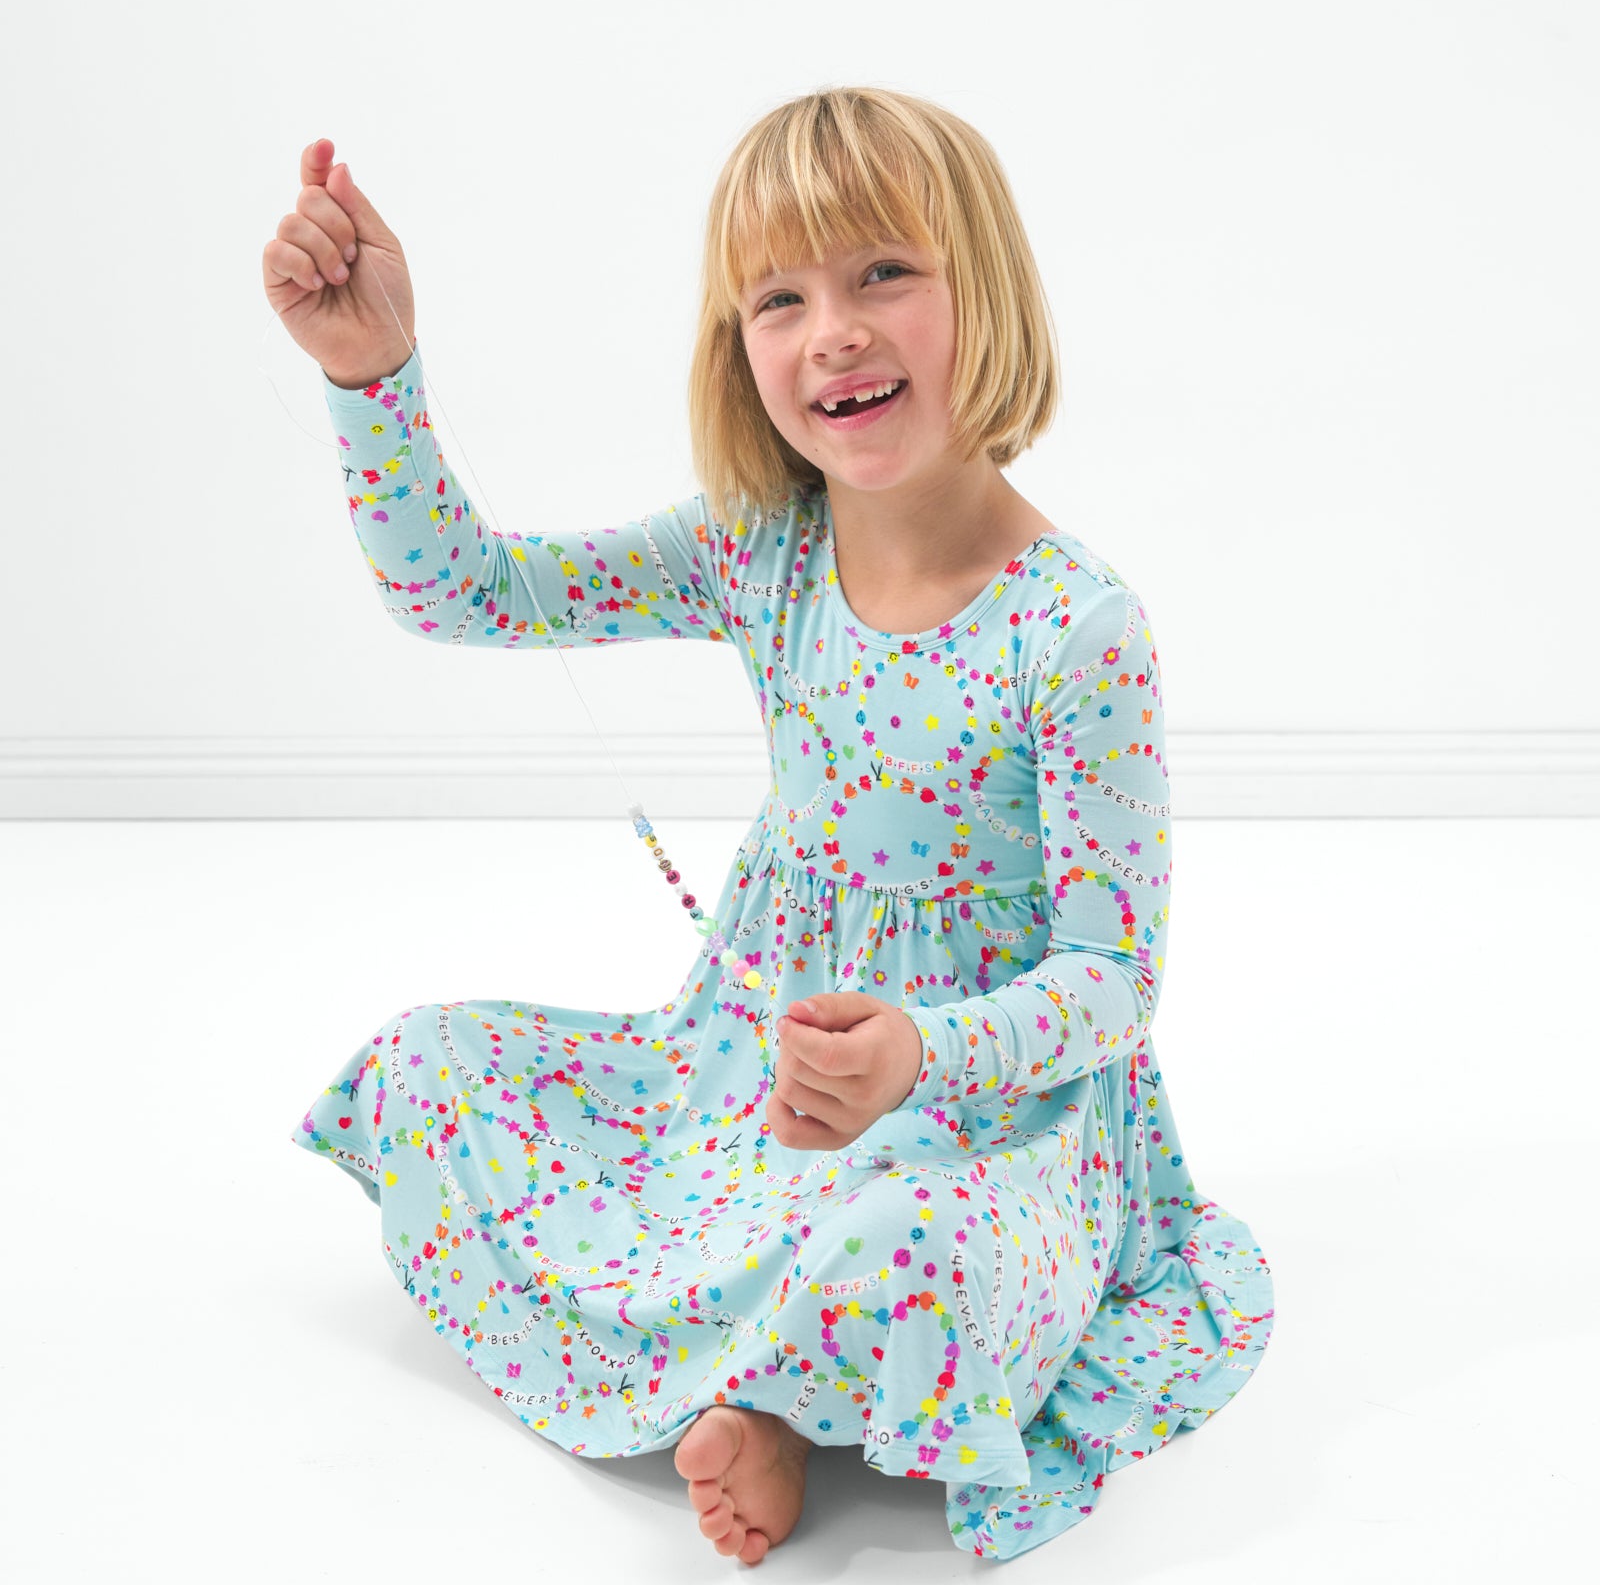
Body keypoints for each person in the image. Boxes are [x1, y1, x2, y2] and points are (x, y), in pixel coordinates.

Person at [265, 86, 1275, 1566]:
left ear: (981, 292)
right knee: (430, 1064)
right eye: (781, 298)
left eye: (882, 274)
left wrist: (919, 1056)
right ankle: (776, 1368)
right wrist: (375, 375)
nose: (833, 333)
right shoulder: (759, 546)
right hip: (747, 1082)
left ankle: (784, 1412)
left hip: (993, 1121)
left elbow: (1111, 982)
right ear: (740, 349)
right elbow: (466, 591)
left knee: (909, 1243)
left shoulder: (1076, 630)